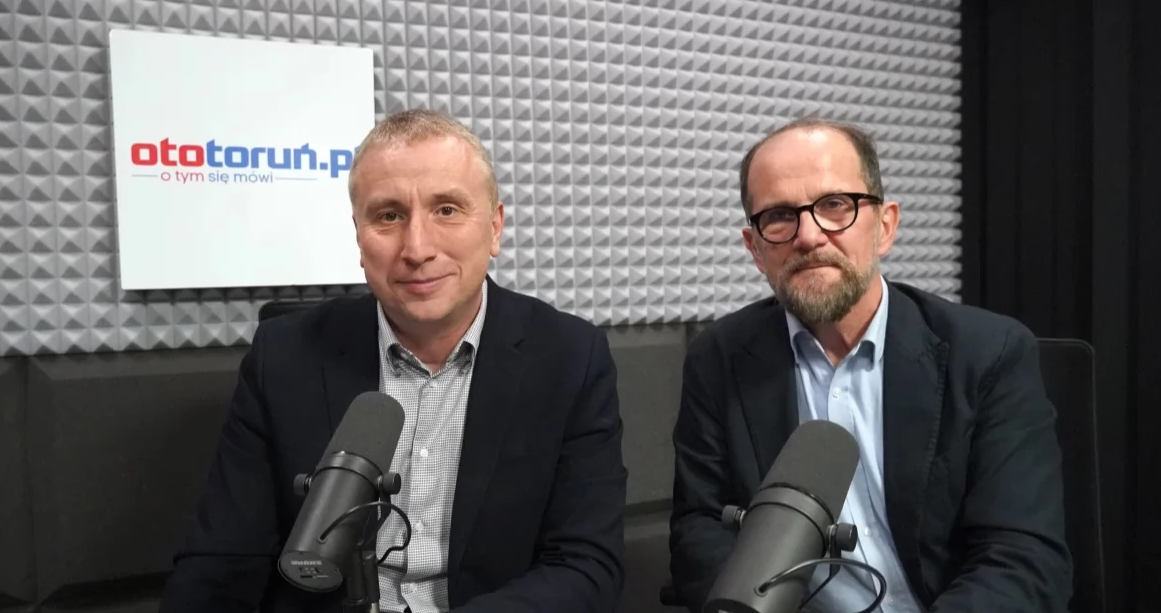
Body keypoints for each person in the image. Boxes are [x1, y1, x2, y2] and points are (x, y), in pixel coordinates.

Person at [159, 109, 627, 613]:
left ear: (494, 227)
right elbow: (221, 564)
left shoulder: (569, 358)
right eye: (388, 216)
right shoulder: (283, 357)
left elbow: (586, 566)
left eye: (446, 209)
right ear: (359, 236)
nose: (417, 248)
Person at [668, 117, 1072, 613]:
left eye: (835, 205)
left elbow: (1021, 561)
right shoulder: (718, 359)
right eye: (779, 215)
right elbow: (701, 533)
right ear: (755, 248)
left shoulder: (990, 353)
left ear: (885, 227)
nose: (809, 236)